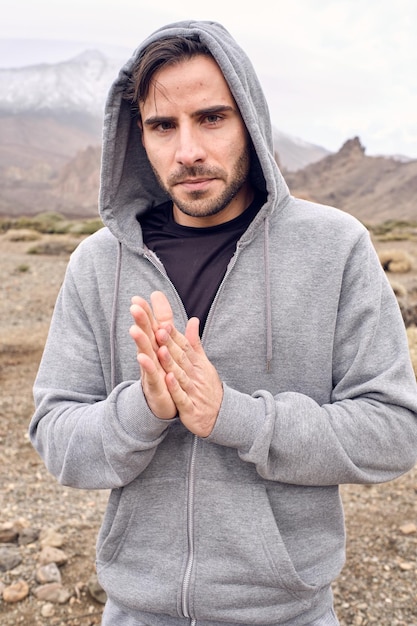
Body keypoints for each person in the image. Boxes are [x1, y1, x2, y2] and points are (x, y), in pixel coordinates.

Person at [29, 20, 417, 626]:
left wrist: (235, 416)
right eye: (163, 125)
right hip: (136, 612)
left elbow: (393, 430)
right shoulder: (98, 263)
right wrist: (144, 410)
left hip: (289, 613)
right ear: (139, 137)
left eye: (211, 118)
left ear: (250, 122)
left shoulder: (334, 248)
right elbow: (55, 433)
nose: (188, 150)